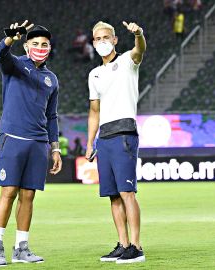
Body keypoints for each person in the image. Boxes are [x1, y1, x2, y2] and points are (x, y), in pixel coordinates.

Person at [0, 20, 62, 267]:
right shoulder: (15, 65)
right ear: (27, 45)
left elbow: (51, 116)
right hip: (13, 138)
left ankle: (21, 248)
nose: (40, 47)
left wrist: (55, 148)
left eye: (45, 44)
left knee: (28, 196)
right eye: (35, 43)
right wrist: (10, 39)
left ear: (49, 48)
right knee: (8, 192)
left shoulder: (52, 79)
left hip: (39, 142)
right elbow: (0, 54)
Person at [86, 21, 146, 264]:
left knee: (126, 192)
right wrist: (91, 142)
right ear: (92, 42)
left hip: (124, 132)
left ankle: (136, 246)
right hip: (105, 137)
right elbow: (94, 112)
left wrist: (139, 34)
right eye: (97, 38)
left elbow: (140, 50)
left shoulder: (126, 62)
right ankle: (122, 244)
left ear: (114, 40)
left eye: (106, 37)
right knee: (112, 195)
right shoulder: (94, 74)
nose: (101, 41)